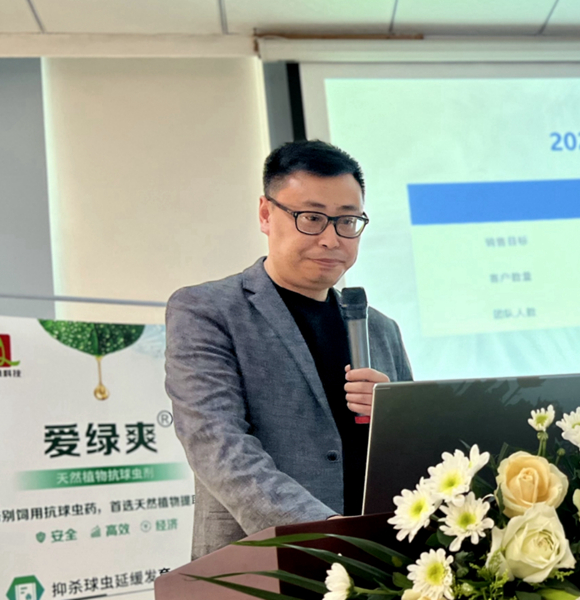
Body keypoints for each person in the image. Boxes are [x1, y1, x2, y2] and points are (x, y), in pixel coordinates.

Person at [164, 140, 413, 560]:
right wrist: (327, 536)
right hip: (264, 566)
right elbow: (218, 445)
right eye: (311, 218)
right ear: (266, 214)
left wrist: (396, 418)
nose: (331, 239)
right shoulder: (207, 311)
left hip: (383, 564)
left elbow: (414, 458)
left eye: (347, 221)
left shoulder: (380, 329)